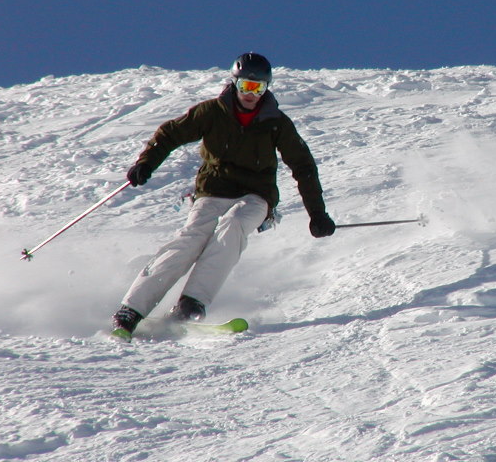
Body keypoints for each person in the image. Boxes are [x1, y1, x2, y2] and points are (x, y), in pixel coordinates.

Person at [111, 52, 335, 340]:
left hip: (256, 196)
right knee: (191, 239)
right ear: (234, 83)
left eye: (258, 88)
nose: (251, 94)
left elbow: (303, 166)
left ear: (266, 89)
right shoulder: (212, 112)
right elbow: (170, 133)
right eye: (246, 86)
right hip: (213, 191)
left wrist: (317, 214)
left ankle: (191, 304)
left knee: (233, 226)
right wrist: (146, 163)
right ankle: (131, 309)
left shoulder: (275, 122)